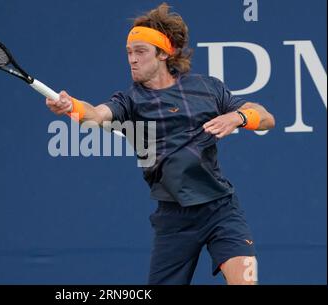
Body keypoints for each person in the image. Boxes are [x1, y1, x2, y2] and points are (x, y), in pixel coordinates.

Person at [46, 3, 275, 285]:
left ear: (164, 53)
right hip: (173, 218)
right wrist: (72, 107)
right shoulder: (129, 101)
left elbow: (266, 118)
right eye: (129, 52)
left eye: (140, 51)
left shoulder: (207, 88)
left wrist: (238, 117)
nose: (132, 59)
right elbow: (94, 115)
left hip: (221, 209)